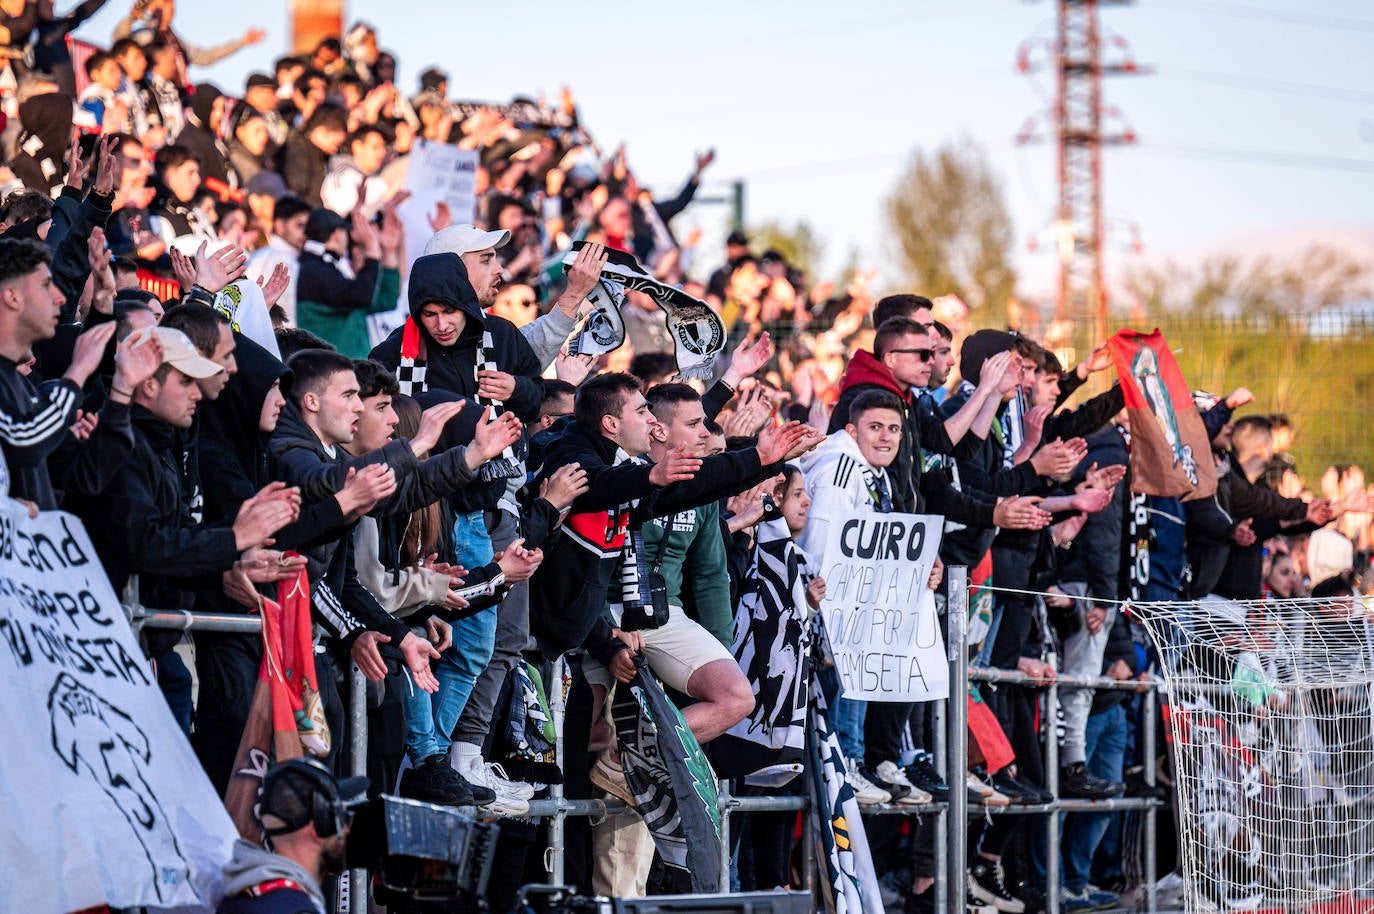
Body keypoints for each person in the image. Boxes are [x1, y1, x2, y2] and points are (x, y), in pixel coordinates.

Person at [218, 758, 365, 914]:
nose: (346, 831)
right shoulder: (297, 908)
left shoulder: (241, 894)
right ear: (319, 825)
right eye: (341, 818)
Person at [294, 206, 395, 358]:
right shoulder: (314, 269)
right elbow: (361, 296)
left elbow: (386, 300)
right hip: (334, 371)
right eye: (346, 233)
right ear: (336, 235)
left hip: (344, 369)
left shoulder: (317, 266)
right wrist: (372, 249)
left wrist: (388, 251)